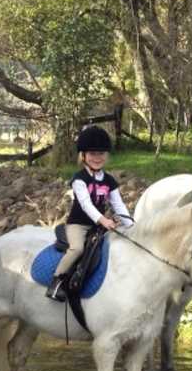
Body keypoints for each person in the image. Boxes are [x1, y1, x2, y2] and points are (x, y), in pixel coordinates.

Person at [46, 126, 132, 302]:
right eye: (92, 154)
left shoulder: (109, 180)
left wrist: (132, 226)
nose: (97, 158)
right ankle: (56, 282)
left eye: (101, 154)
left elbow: (118, 205)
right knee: (77, 248)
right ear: (83, 155)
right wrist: (103, 220)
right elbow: (86, 205)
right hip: (78, 224)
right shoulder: (79, 179)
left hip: (98, 226)